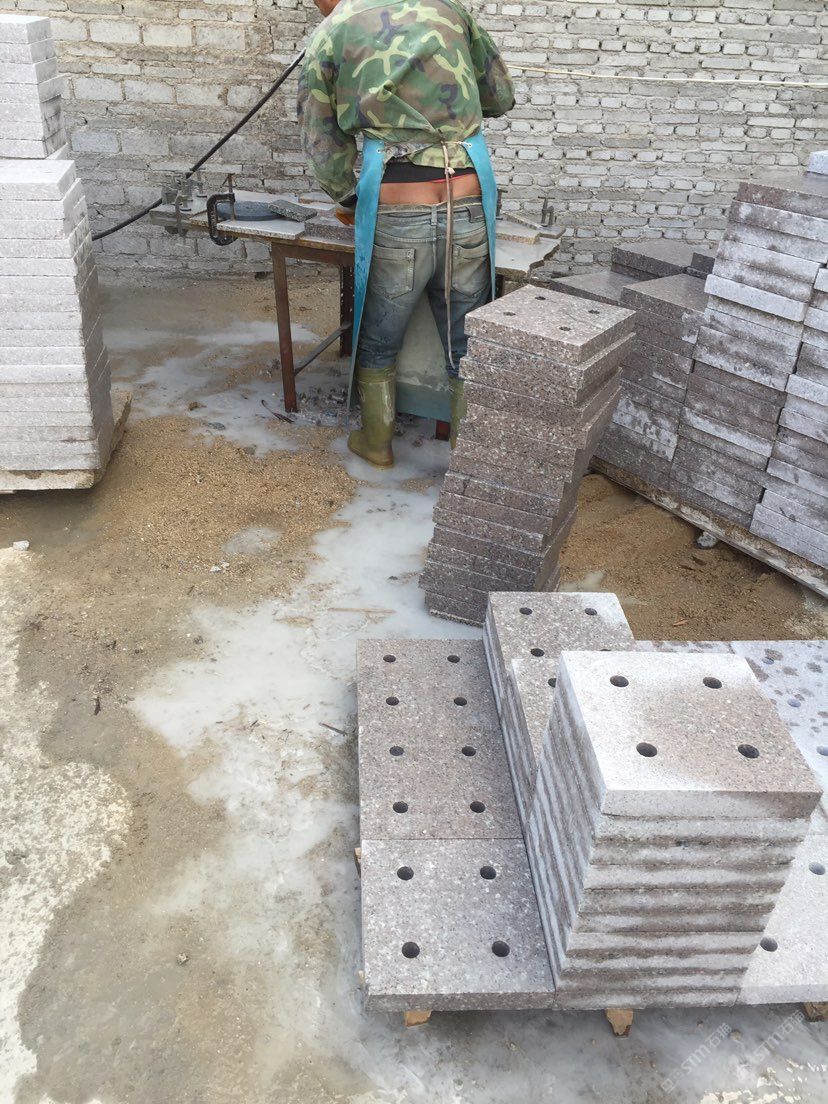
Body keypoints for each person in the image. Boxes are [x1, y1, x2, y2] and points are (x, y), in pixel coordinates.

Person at [297, 0, 515, 468]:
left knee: (379, 337)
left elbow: (320, 137)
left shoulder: (333, 30)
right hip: (468, 198)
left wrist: (346, 196)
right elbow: (500, 95)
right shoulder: (449, 8)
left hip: (397, 207)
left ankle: (377, 443)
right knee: (465, 341)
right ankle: (466, 462)